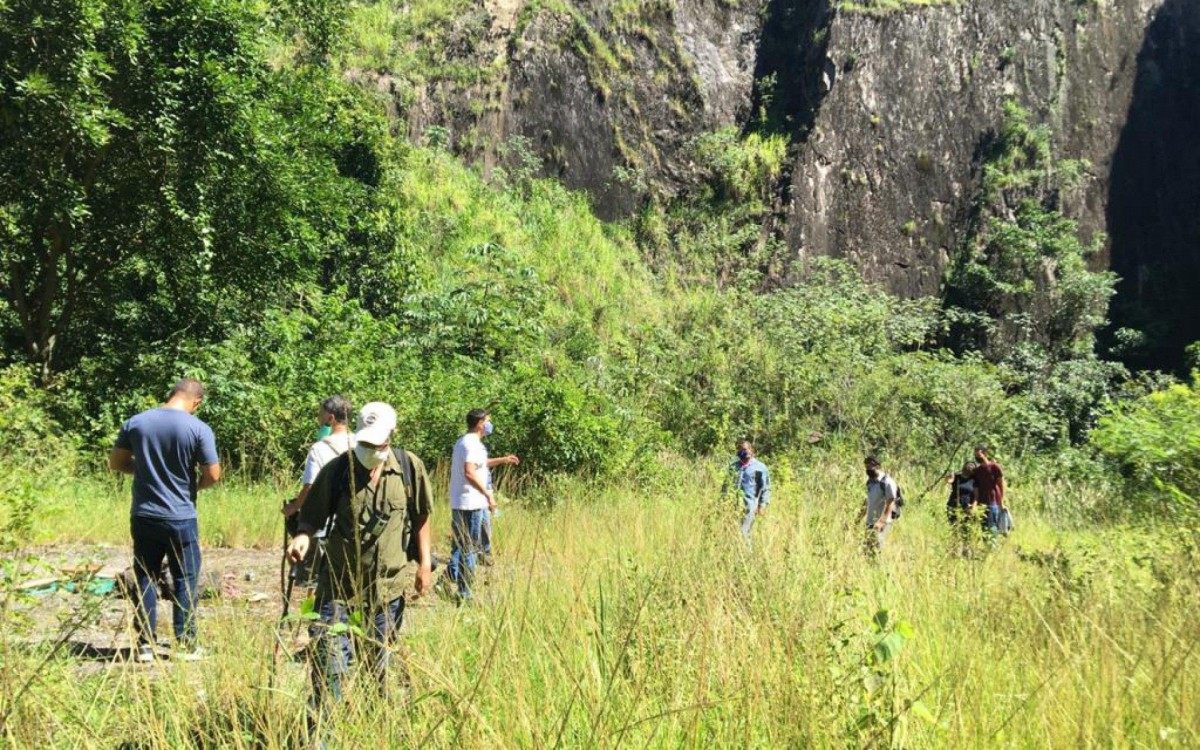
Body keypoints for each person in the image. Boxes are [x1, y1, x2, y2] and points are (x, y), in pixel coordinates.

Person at [286, 402, 433, 726]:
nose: (369, 450)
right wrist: (302, 537)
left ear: (390, 437)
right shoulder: (338, 471)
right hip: (338, 591)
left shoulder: (409, 468)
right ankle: (318, 738)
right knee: (328, 671)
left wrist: (424, 565)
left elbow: (422, 517)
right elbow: (309, 520)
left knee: (378, 672)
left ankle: (371, 731)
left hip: (387, 593)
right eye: (364, 443)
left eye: (376, 444)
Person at [108, 378, 221, 663]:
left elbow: (117, 463)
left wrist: (146, 472)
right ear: (197, 402)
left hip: (144, 514)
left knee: (145, 575)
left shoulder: (136, 422)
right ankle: (185, 644)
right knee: (186, 577)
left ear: (171, 395)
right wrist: (194, 486)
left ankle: (145, 644)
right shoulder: (198, 428)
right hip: (181, 516)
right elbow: (214, 474)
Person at [447, 409, 519, 600]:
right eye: (487, 420)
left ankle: (447, 580)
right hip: (471, 503)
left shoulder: (465, 442)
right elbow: (469, 472)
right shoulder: (471, 444)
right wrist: (488, 495)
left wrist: (503, 460)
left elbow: (480, 464)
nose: (489, 424)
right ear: (479, 423)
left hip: (463, 502)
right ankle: (465, 594)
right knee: (470, 548)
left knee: (460, 545)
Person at [282, 395, 353, 586]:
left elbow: (310, 487)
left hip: (324, 521)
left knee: (312, 576)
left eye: (320, 414)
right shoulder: (359, 444)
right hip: (350, 519)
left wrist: (295, 507)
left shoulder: (319, 448)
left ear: (330, 418)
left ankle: (311, 599)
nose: (318, 417)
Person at [729, 440, 770, 541]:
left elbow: (765, 487)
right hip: (734, 506)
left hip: (750, 506)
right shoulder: (734, 467)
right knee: (733, 532)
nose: (744, 452)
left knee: (744, 531)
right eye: (741, 450)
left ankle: (747, 555)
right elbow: (726, 486)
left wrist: (762, 505)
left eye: (746, 449)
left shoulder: (759, 468)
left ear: (751, 450)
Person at [860, 456, 898, 555]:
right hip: (870, 522)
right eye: (866, 466)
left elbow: (890, 502)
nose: (868, 468)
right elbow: (867, 501)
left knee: (878, 551)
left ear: (878, 466)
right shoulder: (870, 482)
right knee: (867, 551)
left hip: (882, 523)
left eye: (870, 466)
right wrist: (858, 518)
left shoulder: (887, 482)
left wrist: (881, 521)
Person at [971, 445, 1007, 535]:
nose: (977, 457)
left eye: (978, 455)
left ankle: (993, 548)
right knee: (984, 529)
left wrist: (1001, 502)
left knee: (992, 529)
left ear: (985, 453)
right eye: (976, 455)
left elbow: (1002, 484)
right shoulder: (977, 471)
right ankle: (988, 548)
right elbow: (976, 487)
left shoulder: (995, 467)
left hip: (993, 502)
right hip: (981, 503)